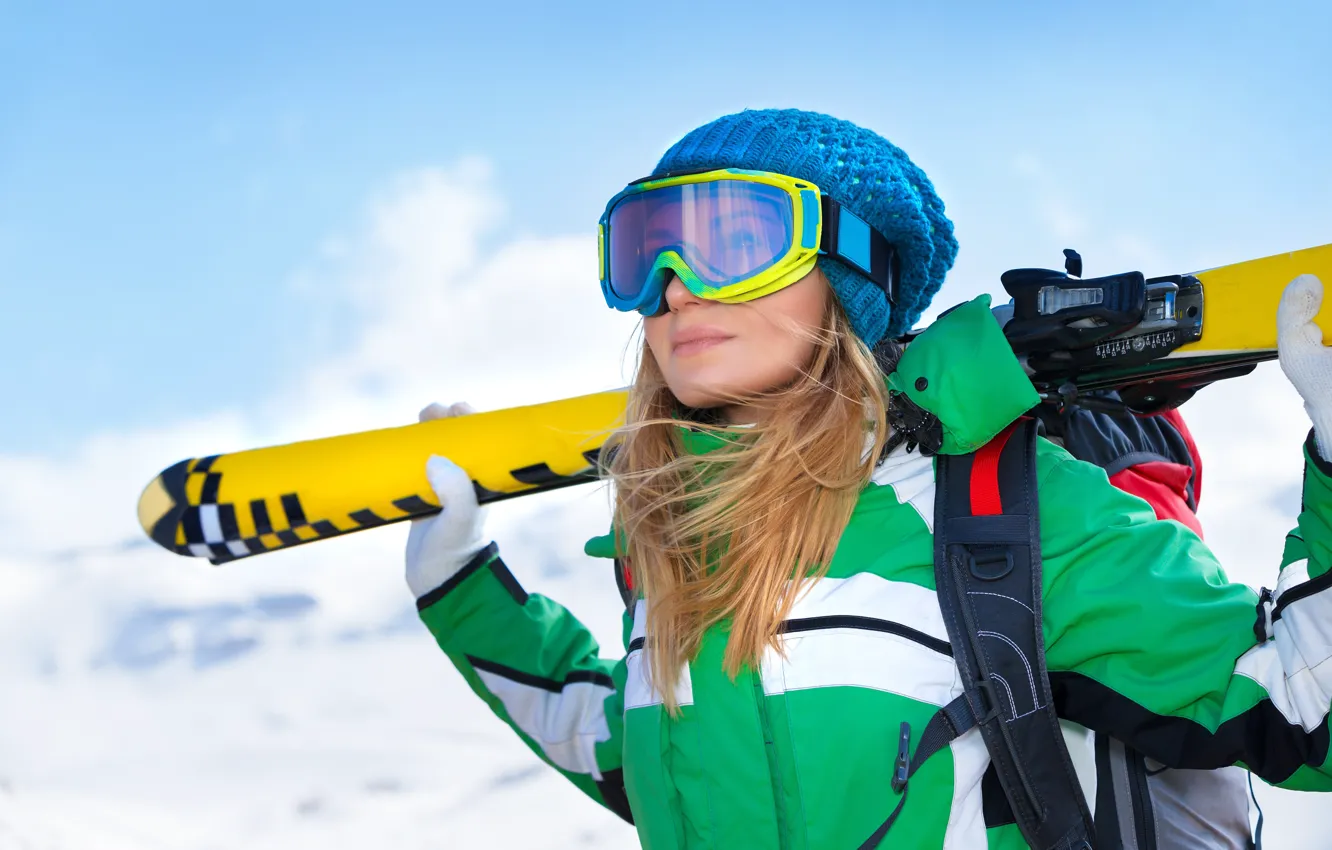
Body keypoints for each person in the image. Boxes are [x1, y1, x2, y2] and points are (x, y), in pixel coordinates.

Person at [404, 108, 1332, 848]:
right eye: (645, 247)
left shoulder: (1001, 508)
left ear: (851, 275)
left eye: (734, 240)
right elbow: (634, 758)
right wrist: (463, 590)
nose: (677, 284)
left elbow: (1300, 706)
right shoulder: (669, 538)